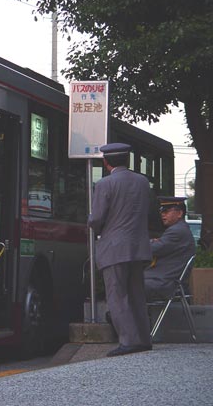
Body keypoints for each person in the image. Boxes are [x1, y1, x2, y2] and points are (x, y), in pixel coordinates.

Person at [88, 143, 153, 357]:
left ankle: (129, 340)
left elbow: (96, 218)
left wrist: (93, 224)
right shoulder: (143, 182)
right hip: (139, 246)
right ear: (127, 160)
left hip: (114, 247)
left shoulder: (105, 184)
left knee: (117, 294)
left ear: (106, 162)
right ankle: (144, 338)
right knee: (136, 293)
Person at [145, 197, 196, 300]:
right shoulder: (179, 229)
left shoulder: (177, 231)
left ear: (179, 213)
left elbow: (152, 249)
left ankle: (123, 315)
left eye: (166, 211)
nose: (162, 214)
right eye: (161, 211)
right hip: (163, 280)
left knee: (125, 284)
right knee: (125, 282)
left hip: (164, 283)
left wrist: (150, 242)